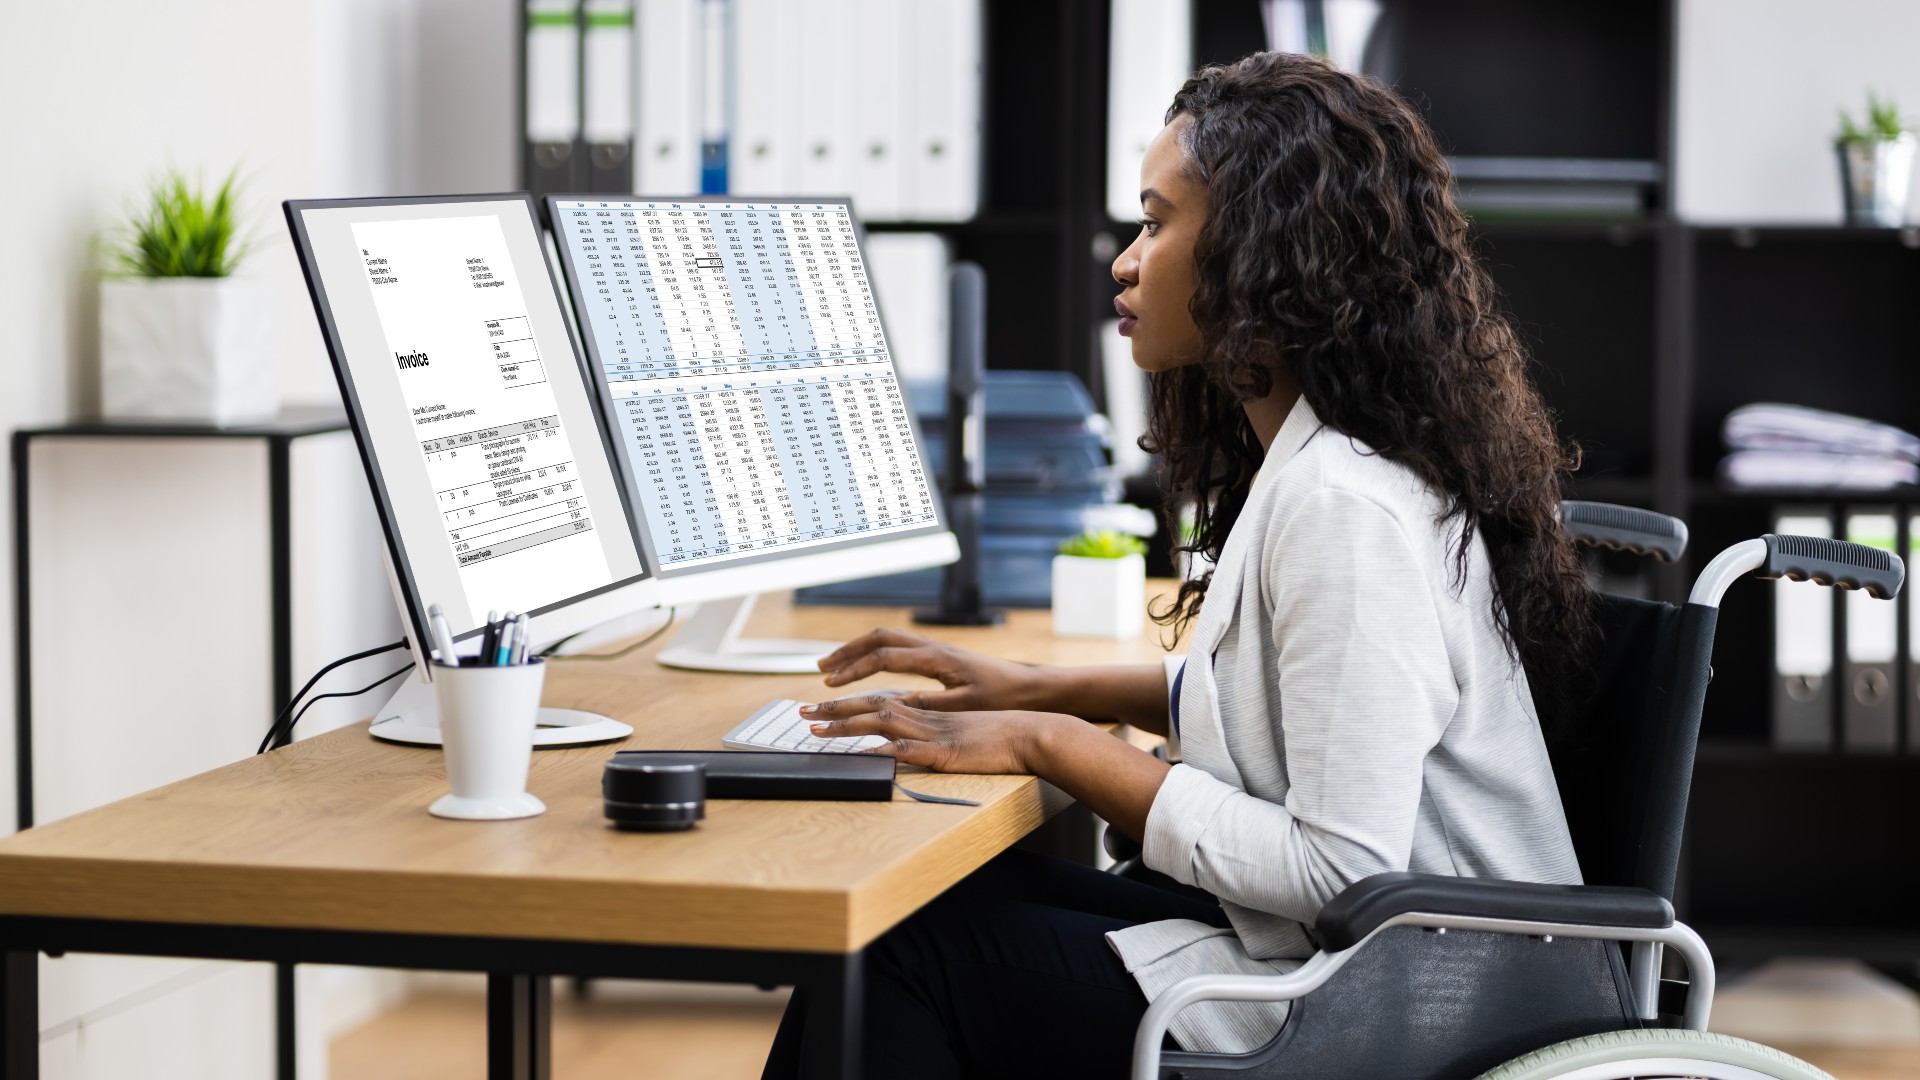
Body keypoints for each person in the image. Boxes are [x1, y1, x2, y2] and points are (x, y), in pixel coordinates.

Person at [760, 50, 1593, 1079]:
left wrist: (1048, 740)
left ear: (1263, 251)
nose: (1123, 259)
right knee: (905, 917)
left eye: (1156, 224)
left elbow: (1340, 867)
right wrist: (1037, 686)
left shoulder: (1343, 505)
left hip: (1415, 997)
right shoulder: (1319, 464)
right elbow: (1289, 705)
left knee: (899, 965)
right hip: (1360, 960)